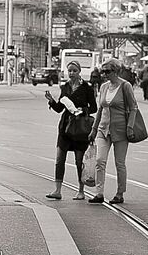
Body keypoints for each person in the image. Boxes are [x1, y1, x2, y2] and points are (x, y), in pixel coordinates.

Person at [44, 60, 97, 200]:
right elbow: (60, 108)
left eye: (74, 70)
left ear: (79, 71)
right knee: (59, 158)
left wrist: (83, 109)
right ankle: (57, 190)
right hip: (65, 126)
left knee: (79, 160)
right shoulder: (65, 87)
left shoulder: (86, 87)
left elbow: (94, 108)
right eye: (70, 71)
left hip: (80, 127)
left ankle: (81, 190)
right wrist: (51, 101)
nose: (72, 73)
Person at [88, 61, 138, 204]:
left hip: (121, 130)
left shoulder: (125, 86)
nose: (104, 74)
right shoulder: (104, 87)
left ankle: (120, 193)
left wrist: (130, 127)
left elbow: (133, 108)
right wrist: (94, 129)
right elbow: (100, 109)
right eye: (103, 71)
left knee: (119, 163)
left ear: (115, 71)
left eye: (107, 71)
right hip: (103, 129)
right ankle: (99, 193)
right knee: (99, 160)